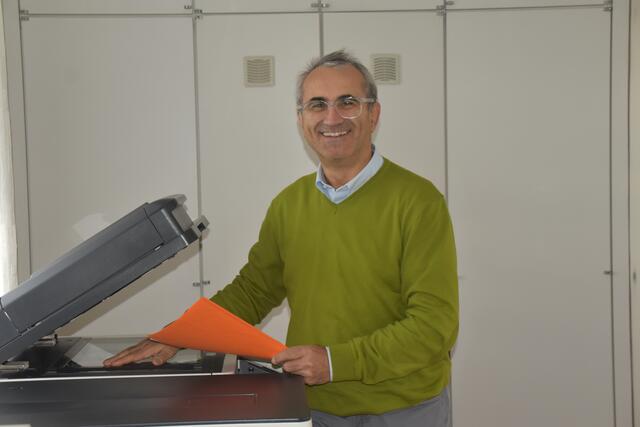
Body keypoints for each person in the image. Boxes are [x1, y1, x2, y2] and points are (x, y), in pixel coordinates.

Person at [104, 50, 459, 427]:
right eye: (317, 104)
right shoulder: (289, 205)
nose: (332, 118)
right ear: (301, 119)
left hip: (404, 408)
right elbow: (254, 291)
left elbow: (434, 325)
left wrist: (335, 362)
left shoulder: (418, 201)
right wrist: (177, 336)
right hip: (314, 407)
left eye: (348, 102)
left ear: (373, 113)